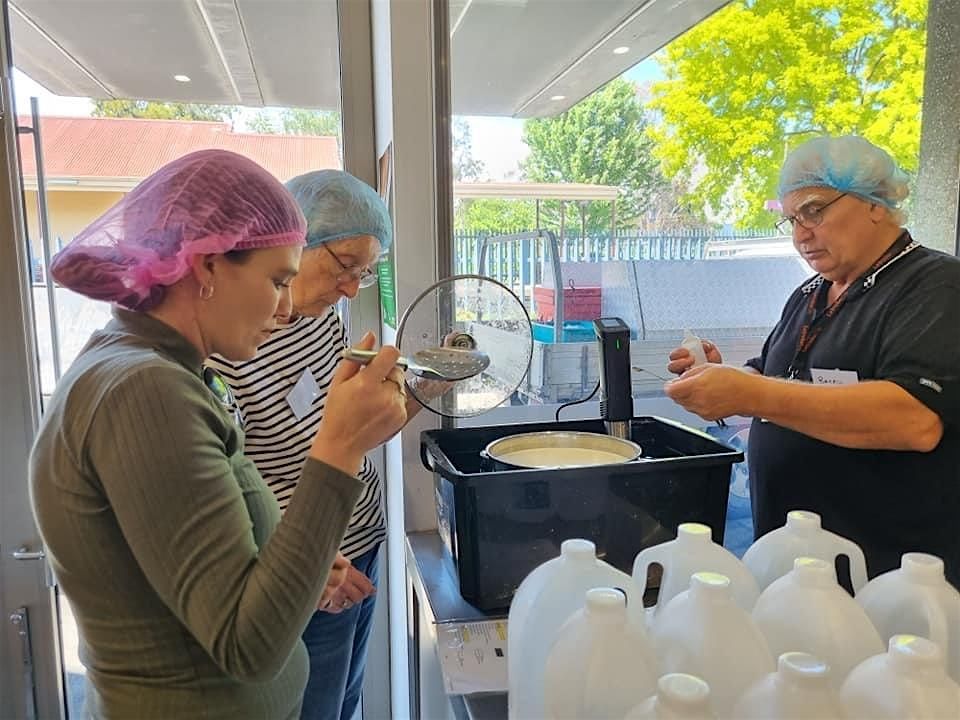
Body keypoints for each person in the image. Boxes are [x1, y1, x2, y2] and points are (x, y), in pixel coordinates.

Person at [28, 150, 408, 719]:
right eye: (277, 280)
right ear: (205, 266)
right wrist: (341, 446)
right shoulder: (143, 393)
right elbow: (248, 646)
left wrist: (296, 563)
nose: (286, 307)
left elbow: (205, 555)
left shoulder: (161, 367)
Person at [665, 135, 960, 587]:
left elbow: (914, 419)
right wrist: (720, 377)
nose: (801, 232)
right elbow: (775, 376)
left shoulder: (933, 287)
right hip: (795, 567)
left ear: (874, 202)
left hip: (883, 579)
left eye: (815, 210)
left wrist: (751, 393)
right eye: (792, 219)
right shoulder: (812, 293)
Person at [207, 169, 442, 720]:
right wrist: (308, 574)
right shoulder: (228, 346)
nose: (352, 288)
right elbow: (229, 497)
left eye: (365, 272)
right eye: (344, 265)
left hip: (361, 546)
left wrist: (431, 386)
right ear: (292, 240)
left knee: (346, 702)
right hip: (303, 571)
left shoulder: (323, 321)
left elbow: (348, 434)